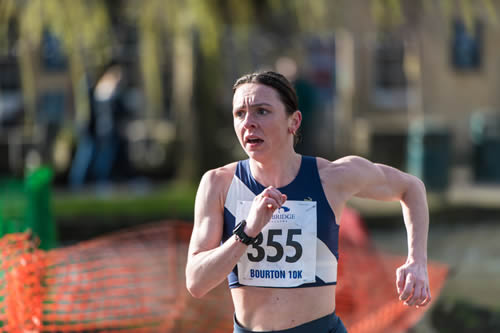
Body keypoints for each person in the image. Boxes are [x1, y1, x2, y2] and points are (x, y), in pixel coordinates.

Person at [185, 71, 431, 333]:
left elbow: (411, 188)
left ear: (294, 121)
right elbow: (196, 282)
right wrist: (247, 232)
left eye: (262, 111)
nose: (248, 123)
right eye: (239, 114)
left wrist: (417, 261)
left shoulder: (333, 178)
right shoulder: (218, 185)